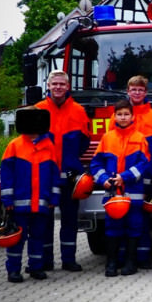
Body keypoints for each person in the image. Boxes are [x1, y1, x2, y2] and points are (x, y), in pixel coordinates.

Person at [35, 70, 89, 272]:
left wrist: (70, 160)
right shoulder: (38, 110)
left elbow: (84, 142)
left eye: (62, 84)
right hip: (45, 176)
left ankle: (69, 259)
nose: (58, 87)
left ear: (68, 87)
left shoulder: (78, 111)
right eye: (54, 84)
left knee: (70, 219)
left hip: (70, 176)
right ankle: (46, 261)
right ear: (48, 86)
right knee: (44, 220)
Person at [90, 99, 150, 276]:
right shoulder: (107, 138)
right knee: (112, 227)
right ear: (114, 117)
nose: (123, 117)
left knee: (134, 227)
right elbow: (95, 164)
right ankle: (111, 263)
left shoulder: (140, 138)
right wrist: (103, 179)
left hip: (133, 193)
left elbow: (144, 164)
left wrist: (124, 177)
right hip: (113, 193)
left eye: (126, 114)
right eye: (120, 114)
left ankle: (130, 263)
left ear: (132, 116)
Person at [0, 108, 59, 282]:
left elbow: (55, 174)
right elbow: (6, 175)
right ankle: (13, 271)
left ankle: (36, 268)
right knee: (17, 238)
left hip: (41, 203)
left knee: (38, 237)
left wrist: (54, 197)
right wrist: (7, 199)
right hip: (19, 205)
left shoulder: (49, 146)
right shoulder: (14, 146)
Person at [119, 75, 152, 268]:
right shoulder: (121, 114)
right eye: (133, 89)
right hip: (123, 176)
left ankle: (143, 257)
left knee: (143, 217)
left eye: (140, 90)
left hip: (147, 175)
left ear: (145, 92)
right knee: (122, 217)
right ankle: (123, 258)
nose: (137, 93)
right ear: (128, 91)